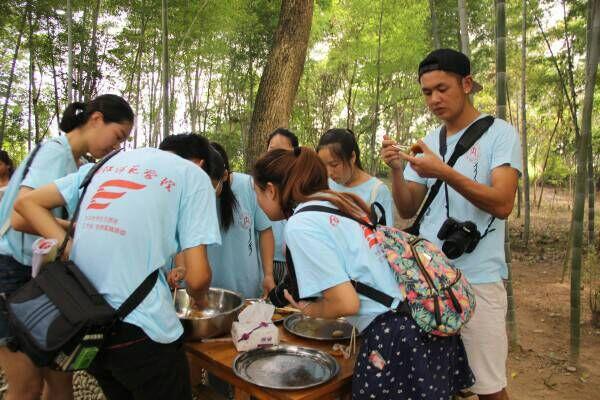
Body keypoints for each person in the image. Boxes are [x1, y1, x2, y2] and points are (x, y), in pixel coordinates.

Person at [252, 147, 474, 399]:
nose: (257, 201)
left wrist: (310, 310)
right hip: (422, 321)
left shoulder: (301, 224)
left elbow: (346, 303)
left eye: (257, 192)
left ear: (271, 190)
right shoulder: (337, 202)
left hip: (397, 336)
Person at [13, 133, 222, 400]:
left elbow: (26, 203)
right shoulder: (193, 176)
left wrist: (70, 247)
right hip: (143, 330)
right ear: (200, 164)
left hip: (89, 323)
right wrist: (200, 300)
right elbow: (198, 278)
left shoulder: (105, 165)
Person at [381, 48, 522, 400]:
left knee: (489, 387)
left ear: (467, 84)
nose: (434, 99)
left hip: (478, 280)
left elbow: (503, 203)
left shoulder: (500, 134)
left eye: (442, 89)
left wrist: (443, 171)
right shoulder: (430, 142)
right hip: (428, 280)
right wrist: (397, 171)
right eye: (427, 92)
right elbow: (407, 207)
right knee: (433, 382)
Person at [0, 94, 133, 400]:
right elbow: (21, 216)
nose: (115, 147)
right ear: (96, 119)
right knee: (27, 387)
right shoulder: (56, 153)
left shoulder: (80, 163)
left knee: (60, 383)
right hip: (11, 272)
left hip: (42, 277)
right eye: (117, 136)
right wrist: (69, 241)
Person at [207, 141, 274, 299]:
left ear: (224, 175)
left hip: (245, 286)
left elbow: (265, 231)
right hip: (207, 288)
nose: (206, 191)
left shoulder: (249, 186)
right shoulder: (192, 192)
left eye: (211, 185)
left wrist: (268, 274)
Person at [317, 128, 394, 226]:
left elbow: (386, 232)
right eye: (324, 165)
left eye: (334, 165)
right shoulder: (327, 184)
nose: (329, 173)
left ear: (352, 157)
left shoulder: (377, 191)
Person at [266, 128, 299, 284]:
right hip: (264, 260)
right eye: (271, 150)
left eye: (282, 152)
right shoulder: (258, 183)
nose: (275, 157)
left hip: (293, 261)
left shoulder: (301, 185)